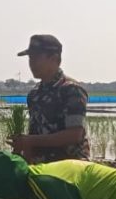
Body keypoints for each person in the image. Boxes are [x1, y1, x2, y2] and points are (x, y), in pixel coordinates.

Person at [9, 34, 90, 164]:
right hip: (40, 167)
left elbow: (74, 135)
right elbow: (34, 132)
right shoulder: (34, 94)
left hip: (70, 168)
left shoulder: (71, 90)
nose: (31, 64)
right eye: (30, 58)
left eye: (36, 58)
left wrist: (30, 140)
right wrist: (22, 147)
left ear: (54, 59)